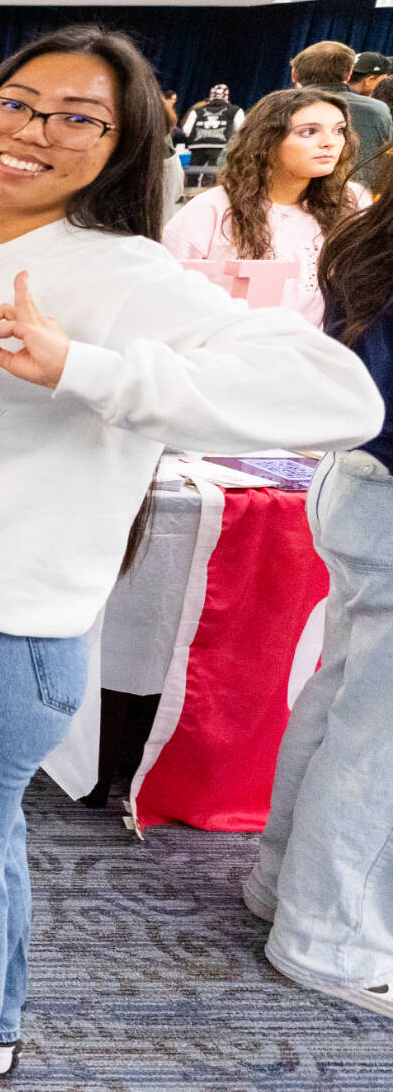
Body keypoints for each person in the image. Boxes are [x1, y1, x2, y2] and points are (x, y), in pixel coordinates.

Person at [0, 26, 383, 1092]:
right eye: (15, 101)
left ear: (123, 141)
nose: (32, 131)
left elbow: (337, 395)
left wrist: (88, 367)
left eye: (76, 117)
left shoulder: (122, 272)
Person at [248, 151, 393, 1024]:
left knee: (345, 697)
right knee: (375, 734)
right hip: (381, 485)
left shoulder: (368, 234)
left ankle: (282, 885)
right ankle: (330, 937)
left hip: (358, 482)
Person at [163, 88, 367, 324]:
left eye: (339, 130)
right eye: (308, 132)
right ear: (267, 140)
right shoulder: (211, 210)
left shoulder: (352, 201)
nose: (330, 142)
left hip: (313, 353)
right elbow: (165, 296)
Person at [293, 40, 392, 178]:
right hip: (360, 195)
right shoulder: (378, 110)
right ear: (349, 74)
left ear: (293, 75)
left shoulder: (277, 106)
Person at [181, 84, 245, 170]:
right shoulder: (235, 110)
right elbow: (241, 129)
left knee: (193, 174)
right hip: (220, 146)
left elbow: (186, 130)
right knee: (214, 175)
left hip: (197, 147)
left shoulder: (197, 111)